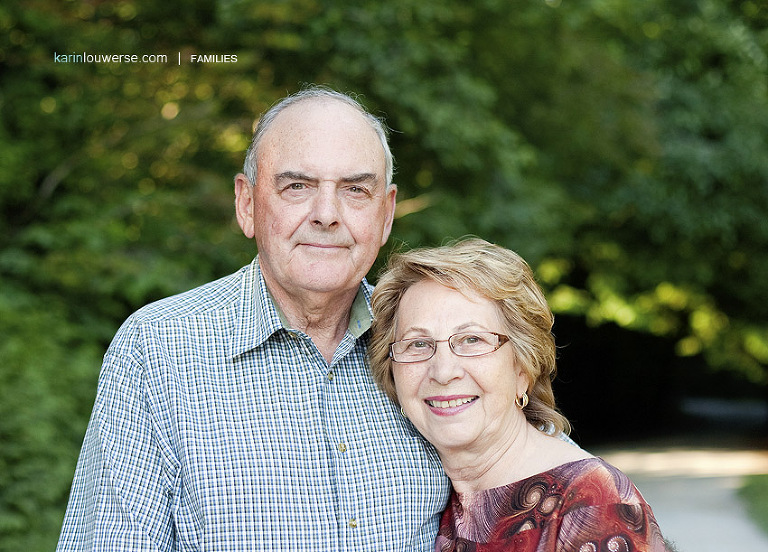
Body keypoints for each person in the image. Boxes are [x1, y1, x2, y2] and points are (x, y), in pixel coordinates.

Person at [57, 86, 450, 551]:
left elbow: (527, 475)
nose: (326, 214)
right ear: (247, 204)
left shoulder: (430, 349)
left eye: (355, 190)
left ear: (385, 215)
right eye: (297, 186)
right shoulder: (158, 350)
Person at [369, 238, 672, 552]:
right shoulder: (439, 504)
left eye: (472, 339)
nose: (443, 372)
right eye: (418, 344)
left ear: (522, 369)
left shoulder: (590, 501)